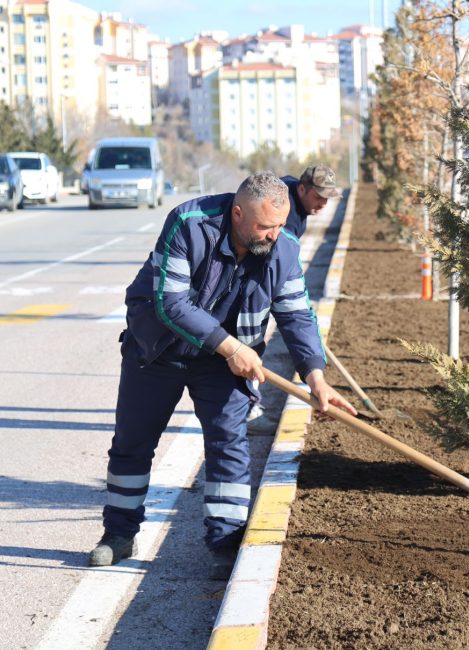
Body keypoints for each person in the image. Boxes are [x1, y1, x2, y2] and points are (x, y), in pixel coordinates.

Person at [89, 172, 356, 579]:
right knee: (132, 444)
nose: (274, 235)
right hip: (158, 350)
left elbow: (297, 314)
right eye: (265, 226)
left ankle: (225, 543)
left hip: (222, 363)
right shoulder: (189, 224)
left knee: (228, 445)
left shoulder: (282, 248)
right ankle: (119, 535)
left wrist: (315, 377)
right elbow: (171, 303)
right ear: (236, 213)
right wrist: (231, 347)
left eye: (281, 225)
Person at [246, 164, 342, 434]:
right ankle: (250, 410)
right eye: (318, 197)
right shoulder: (283, 208)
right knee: (247, 347)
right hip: (252, 285)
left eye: (327, 198)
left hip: (268, 280)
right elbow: (275, 260)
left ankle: (248, 407)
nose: (323, 204)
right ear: (302, 189)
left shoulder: (299, 206)